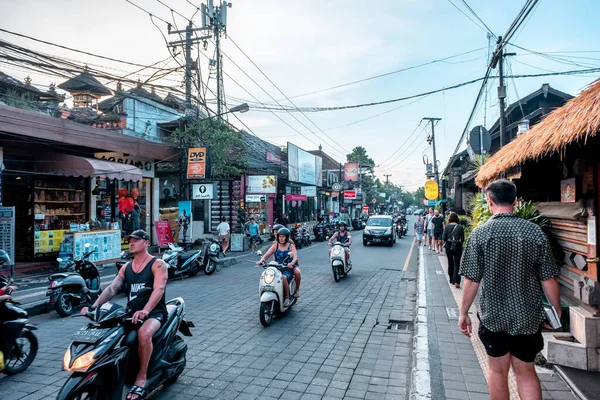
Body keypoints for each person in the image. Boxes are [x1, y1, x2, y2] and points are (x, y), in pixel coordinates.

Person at [459, 179, 561, 400]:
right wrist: (556, 309)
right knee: (525, 371)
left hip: (494, 316)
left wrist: (463, 312)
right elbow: (549, 279)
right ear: (515, 200)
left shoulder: (481, 234)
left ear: (489, 201)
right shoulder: (534, 232)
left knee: (497, 371)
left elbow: (471, 280)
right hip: (527, 316)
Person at [81, 230, 168, 400]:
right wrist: (94, 307)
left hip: (154, 313)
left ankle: (141, 378)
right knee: (112, 335)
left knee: (144, 334)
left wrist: (146, 310)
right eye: (130, 240)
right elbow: (112, 288)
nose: (131, 243)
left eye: (136, 240)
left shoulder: (157, 264)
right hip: (130, 314)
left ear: (146, 242)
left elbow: (159, 289)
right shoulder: (126, 267)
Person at [257, 228, 299, 306]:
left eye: (283, 237)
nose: (281, 238)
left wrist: (292, 263)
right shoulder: (275, 246)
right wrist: (261, 260)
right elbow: (266, 255)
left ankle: (286, 298)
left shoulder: (291, 246)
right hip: (276, 267)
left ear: (286, 237)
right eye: (280, 237)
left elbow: (295, 256)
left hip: (286, 268)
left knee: (283, 277)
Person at [442, 212, 464, 288]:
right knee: (457, 263)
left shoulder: (447, 227)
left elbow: (444, 238)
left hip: (449, 245)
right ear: (457, 218)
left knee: (450, 263)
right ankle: (457, 281)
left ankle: (451, 279)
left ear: (450, 218)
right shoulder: (460, 227)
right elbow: (462, 238)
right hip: (457, 246)